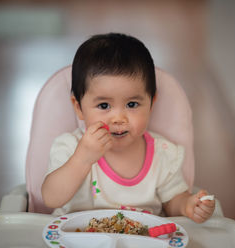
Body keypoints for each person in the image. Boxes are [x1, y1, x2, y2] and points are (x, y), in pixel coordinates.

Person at [41, 33, 215, 223]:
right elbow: (51, 198)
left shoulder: (163, 154)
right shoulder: (70, 147)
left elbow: (172, 202)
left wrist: (188, 206)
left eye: (132, 105)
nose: (118, 118)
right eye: (104, 106)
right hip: (77, 241)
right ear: (78, 107)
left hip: (141, 247)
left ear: (151, 103)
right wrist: (82, 159)